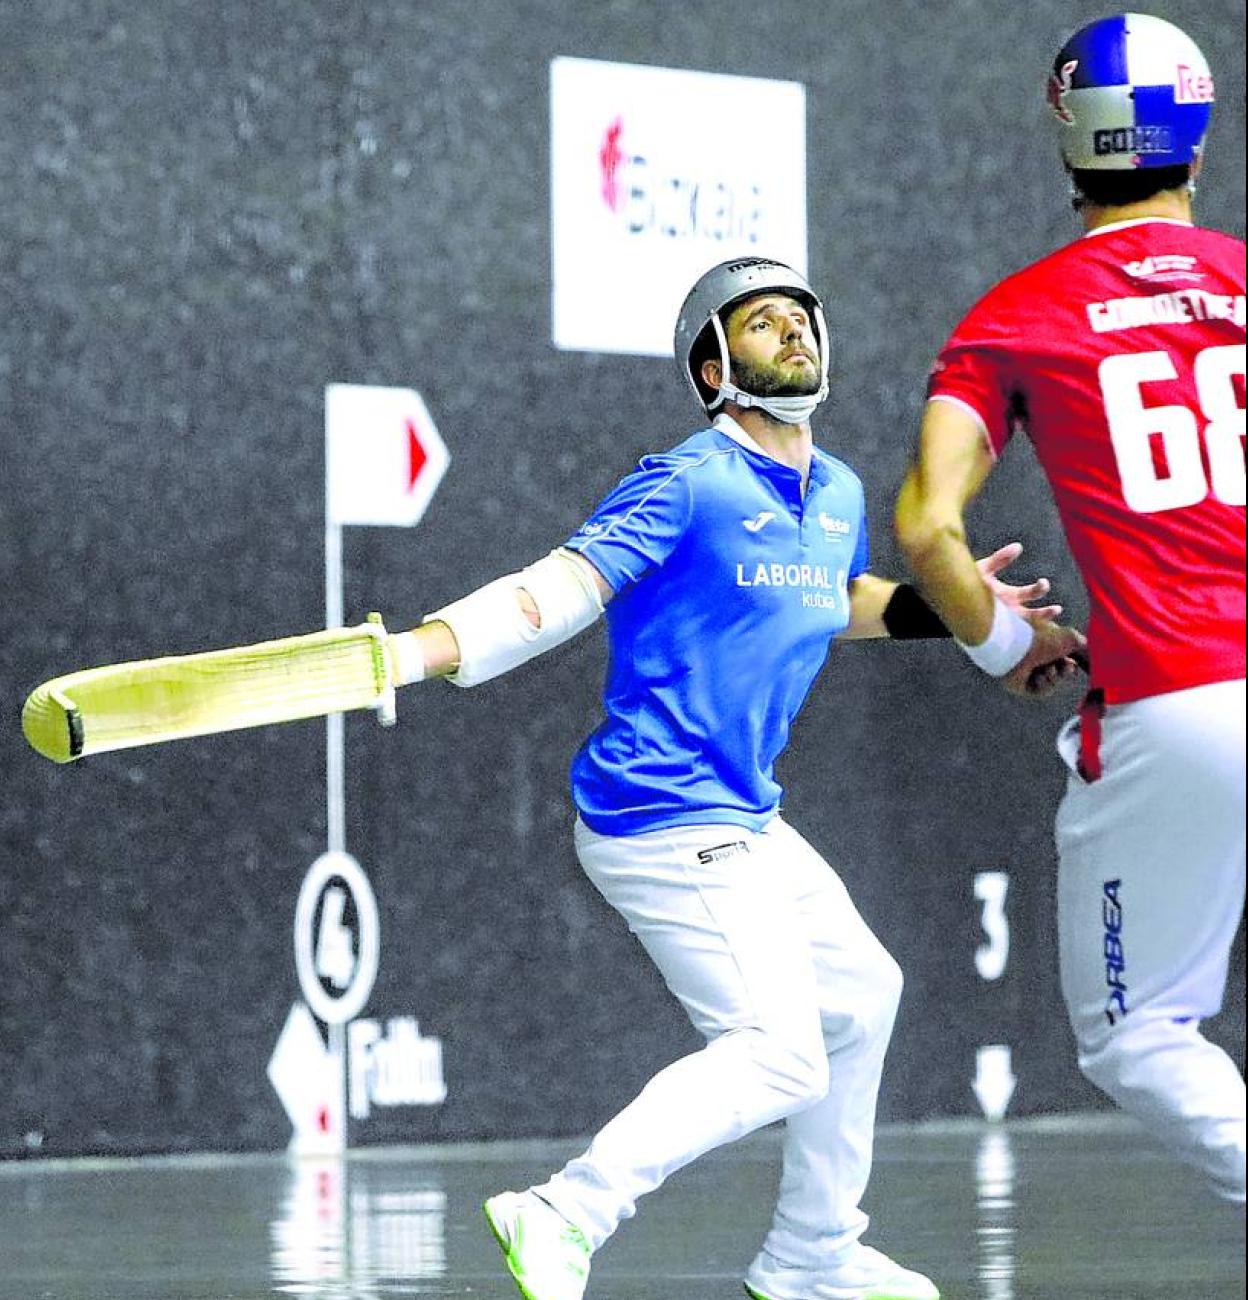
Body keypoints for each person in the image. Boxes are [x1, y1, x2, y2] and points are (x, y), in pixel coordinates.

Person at [386, 257, 1061, 1300]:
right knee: (778, 1049)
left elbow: (830, 597)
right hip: (657, 811)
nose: (792, 332)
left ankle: (812, 1255)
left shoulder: (834, 491)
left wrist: (960, 609)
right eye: (761, 323)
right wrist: (411, 653)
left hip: (742, 812)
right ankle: (564, 1210)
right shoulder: (687, 481)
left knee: (861, 996)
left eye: (801, 318)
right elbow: (557, 590)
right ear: (714, 368)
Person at [895, 13, 1245, 1205]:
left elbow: (926, 528)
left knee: (1139, 1034)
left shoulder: (1019, 315)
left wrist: (1004, 640)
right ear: (1197, 141)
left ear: (1068, 143)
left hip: (1178, 703)